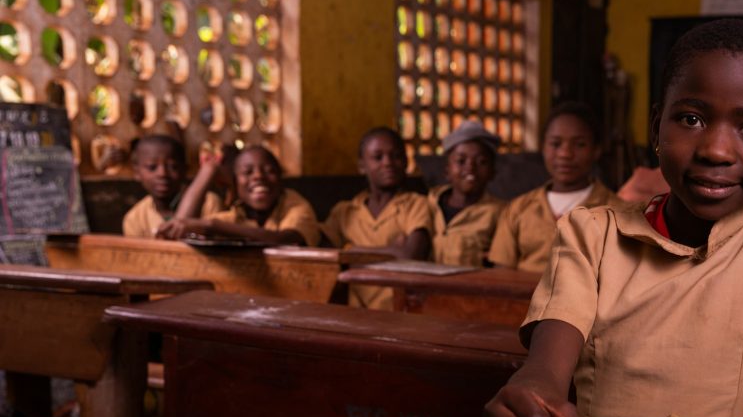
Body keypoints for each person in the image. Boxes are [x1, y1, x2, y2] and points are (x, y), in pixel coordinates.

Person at [482, 19, 743, 417]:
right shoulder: (591, 232)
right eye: (691, 119)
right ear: (657, 127)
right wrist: (531, 402)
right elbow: (545, 373)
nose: (716, 150)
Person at [488, 101, 621, 273]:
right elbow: (502, 276)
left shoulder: (617, 212)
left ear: (596, 150)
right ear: (543, 148)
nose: (565, 154)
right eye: (556, 144)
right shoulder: (517, 209)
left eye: (579, 144)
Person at [321, 127, 432, 309]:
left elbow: (411, 255)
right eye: (377, 157)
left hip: (400, 311)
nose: (388, 163)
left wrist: (349, 250)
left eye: (396, 156)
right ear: (362, 166)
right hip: (355, 311)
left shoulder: (415, 204)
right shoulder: (344, 212)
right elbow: (326, 257)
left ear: (405, 162)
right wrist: (392, 250)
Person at [158, 145, 320, 246]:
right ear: (235, 183)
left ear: (280, 178)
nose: (258, 176)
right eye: (247, 172)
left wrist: (210, 225)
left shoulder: (295, 205)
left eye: (269, 171)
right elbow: (179, 231)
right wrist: (209, 170)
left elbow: (284, 239)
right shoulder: (235, 217)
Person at [427, 121, 505, 266]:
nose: (470, 167)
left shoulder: (501, 214)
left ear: (493, 172)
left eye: (481, 162)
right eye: (461, 161)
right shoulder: (428, 203)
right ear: (447, 170)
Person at [122, 134, 222, 238]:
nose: (162, 173)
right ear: (137, 172)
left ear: (185, 170)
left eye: (173, 167)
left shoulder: (209, 203)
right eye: (152, 167)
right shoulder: (134, 218)